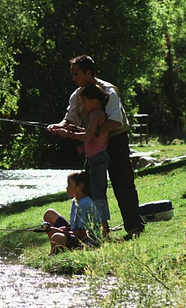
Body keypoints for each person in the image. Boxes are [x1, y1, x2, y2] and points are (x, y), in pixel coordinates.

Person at [47, 55, 145, 239]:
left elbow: (116, 121)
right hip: (94, 145)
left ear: (88, 73)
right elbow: (70, 118)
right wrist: (59, 126)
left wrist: (91, 134)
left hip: (115, 141)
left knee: (123, 184)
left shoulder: (109, 91)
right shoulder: (77, 96)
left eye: (76, 74)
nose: (73, 78)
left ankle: (134, 227)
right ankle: (91, 230)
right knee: (90, 186)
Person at [61, 84, 111, 237]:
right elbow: (91, 134)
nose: (83, 105)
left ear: (95, 101)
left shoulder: (95, 115)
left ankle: (104, 230)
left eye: (85, 102)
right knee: (96, 193)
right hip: (94, 157)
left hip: (98, 159)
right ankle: (101, 228)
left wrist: (69, 135)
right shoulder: (97, 115)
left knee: (97, 195)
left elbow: (88, 136)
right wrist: (78, 133)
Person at [42, 171, 102, 254]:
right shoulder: (75, 201)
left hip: (86, 241)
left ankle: (54, 252)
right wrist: (65, 229)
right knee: (49, 213)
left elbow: (83, 234)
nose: (67, 188)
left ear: (80, 186)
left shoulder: (85, 203)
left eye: (69, 184)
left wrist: (61, 232)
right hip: (76, 233)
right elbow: (75, 226)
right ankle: (58, 247)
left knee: (57, 236)